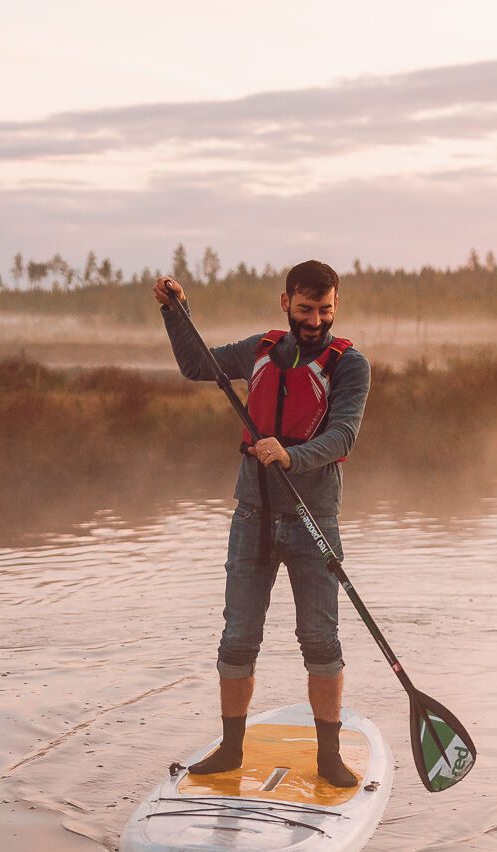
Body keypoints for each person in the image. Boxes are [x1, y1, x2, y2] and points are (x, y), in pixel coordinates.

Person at [153, 261, 370, 787]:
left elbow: (343, 437)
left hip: (313, 517)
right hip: (252, 514)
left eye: (324, 310)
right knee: (238, 638)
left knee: (319, 640)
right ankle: (230, 749)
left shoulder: (349, 365)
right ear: (285, 303)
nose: (315, 320)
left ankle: (328, 757)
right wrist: (174, 311)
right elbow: (194, 365)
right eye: (304, 310)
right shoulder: (259, 350)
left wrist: (292, 457)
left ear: (335, 306)